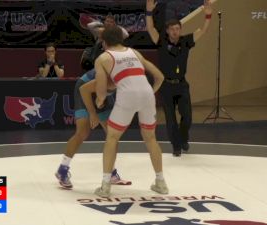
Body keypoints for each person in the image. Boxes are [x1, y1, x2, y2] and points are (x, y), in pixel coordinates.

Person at [94, 26, 167, 197]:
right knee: (151, 138)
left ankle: (105, 186)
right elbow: (160, 77)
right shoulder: (134, 52)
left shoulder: (103, 58)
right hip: (147, 94)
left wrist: (99, 101)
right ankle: (161, 182)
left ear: (104, 42)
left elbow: (102, 91)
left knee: (112, 137)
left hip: (127, 95)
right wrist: (149, 94)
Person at [146, 0, 212, 156]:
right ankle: (176, 146)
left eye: (178, 28)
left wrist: (208, 15)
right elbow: (150, 28)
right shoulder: (161, 41)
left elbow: (203, 30)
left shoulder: (186, 41)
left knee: (187, 117)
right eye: (172, 29)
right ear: (168, 31)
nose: (175, 31)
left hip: (181, 85)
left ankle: (183, 138)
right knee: (170, 119)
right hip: (166, 86)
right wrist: (149, 12)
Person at [55, 69, 131, 189]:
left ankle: (111, 173)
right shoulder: (110, 77)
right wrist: (93, 114)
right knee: (82, 132)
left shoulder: (128, 79)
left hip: (103, 91)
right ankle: (62, 170)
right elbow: (84, 90)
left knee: (113, 135)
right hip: (85, 89)